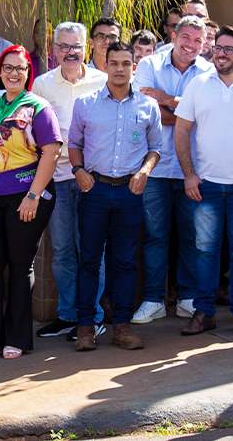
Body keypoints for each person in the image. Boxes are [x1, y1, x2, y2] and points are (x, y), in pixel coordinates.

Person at [68, 41, 162, 351]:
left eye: (126, 63)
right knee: (89, 261)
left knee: (125, 262)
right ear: (104, 65)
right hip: (94, 190)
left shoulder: (148, 106)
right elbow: (74, 142)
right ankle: (85, 327)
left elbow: (155, 149)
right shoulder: (86, 103)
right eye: (114, 63)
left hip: (129, 191)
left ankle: (121, 326)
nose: (120, 68)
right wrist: (79, 170)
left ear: (135, 66)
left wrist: (145, 171)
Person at [173, 27, 233, 337]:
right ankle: (204, 312)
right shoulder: (198, 85)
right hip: (206, 185)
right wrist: (189, 174)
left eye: (229, 49)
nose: (221, 53)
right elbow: (182, 130)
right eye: (218, 47)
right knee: (205, 251)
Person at [0, 46, 60, 361]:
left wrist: (33, 196)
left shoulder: (38, 106)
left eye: (19, 68)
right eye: (7, 67)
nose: (13, 73)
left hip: (26, 195)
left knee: (20, 267)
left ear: (27, 73)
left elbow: (51, 153)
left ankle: (18, 338)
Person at [29, 22, 108, 339]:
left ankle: (93, 316)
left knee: (92, 251)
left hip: (95, 180)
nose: (70, 52)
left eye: (76, 46)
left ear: (86, 47)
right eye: (63, 46)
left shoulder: (102, 82)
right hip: (58, 178)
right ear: (54, 48)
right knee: (62, 251)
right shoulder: (42, 85)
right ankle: (69, 315)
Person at [133, 16, 213, 321]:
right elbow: (146, 113)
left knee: (193, 236)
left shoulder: (208, 71)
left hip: (194, 167)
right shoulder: (148, 66)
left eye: (197, 40)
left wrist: (166, 99)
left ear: (204, 44)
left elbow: (208, 113)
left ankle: (187, 297)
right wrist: (185, 108)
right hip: (155, 167)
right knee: (155, 236)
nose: (190, 45)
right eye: (186, 38)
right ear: (173, 35)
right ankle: (153, 299)